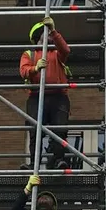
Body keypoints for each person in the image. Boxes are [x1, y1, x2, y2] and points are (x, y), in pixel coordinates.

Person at [20, 16, 72, 171]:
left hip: (58, 96)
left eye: (49, 35)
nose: (48, 38)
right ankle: (34, 164)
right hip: (36, 97)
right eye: (46, 35)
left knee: (60, 129)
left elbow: (66, 50)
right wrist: (35, 68)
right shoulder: (29, 54)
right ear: (37, 37)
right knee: (35, 132)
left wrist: (54, 31)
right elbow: (23, 70)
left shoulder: (56, 53)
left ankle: (58, 160)